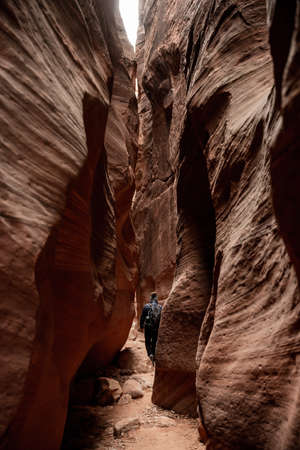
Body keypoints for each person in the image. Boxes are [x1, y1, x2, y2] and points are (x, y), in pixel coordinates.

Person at [140, 292, 162, 364]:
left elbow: (142, 317)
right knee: (154, 341)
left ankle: (150, 354)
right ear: (156, 298)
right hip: (156, 327)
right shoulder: (160, 307)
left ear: (151, 298)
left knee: (147, 341)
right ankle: (153, 353)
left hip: (148, 327)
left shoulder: (146, 306)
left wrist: (141, 325)